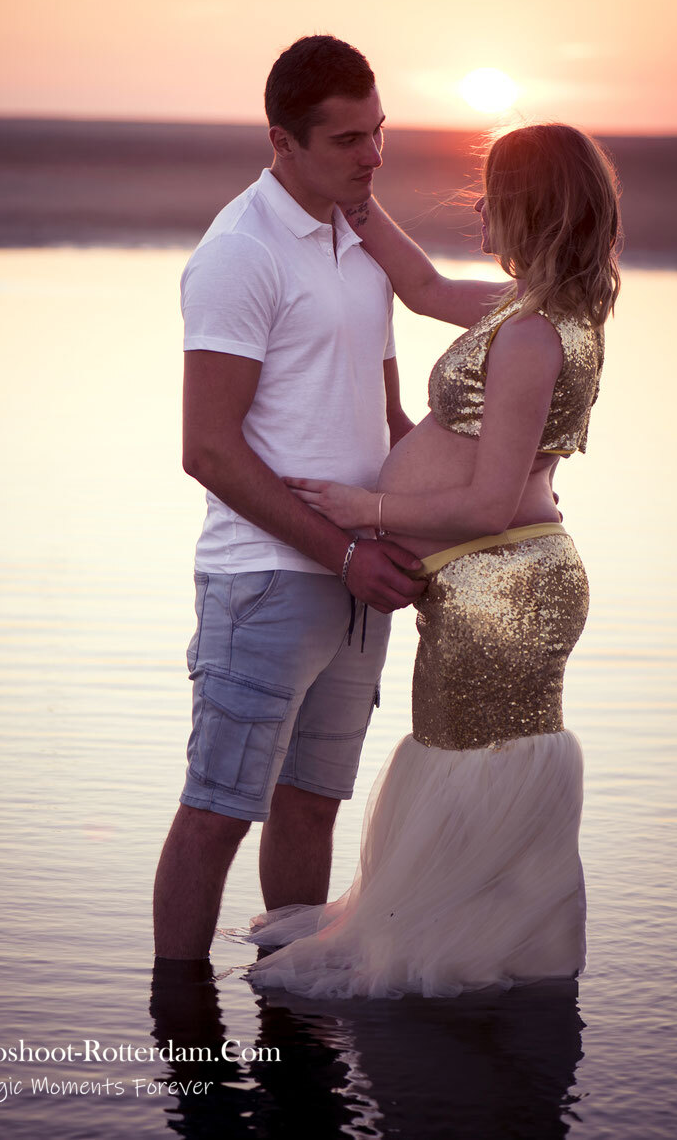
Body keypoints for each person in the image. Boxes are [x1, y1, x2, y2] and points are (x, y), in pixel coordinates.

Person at [247, 122, 622, 998]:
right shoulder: (526, 313)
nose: (482, 206)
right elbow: (416, 288)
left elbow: (492, 501)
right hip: (489, 583)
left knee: (466, 769)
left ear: (532, 207)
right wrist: (356, 202)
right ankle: (478, 951)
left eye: (497, 192)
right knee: (467, 768)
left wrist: (367, 508)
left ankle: (459, 966)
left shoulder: (532, 338)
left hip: (504, 590)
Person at [152, 36, 425, 963]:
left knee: (312, 806)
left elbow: (387, 416)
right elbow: (208, 449)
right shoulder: (239, 252)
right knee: (217, 813)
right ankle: (180, 1033)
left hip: (360, 577)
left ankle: (291, 1015)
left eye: (379, 132)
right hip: (266, 579)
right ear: (283, 143)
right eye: (348, 140)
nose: (373, 157)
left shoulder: (362, 239)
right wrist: (344, 552)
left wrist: (463, 515)